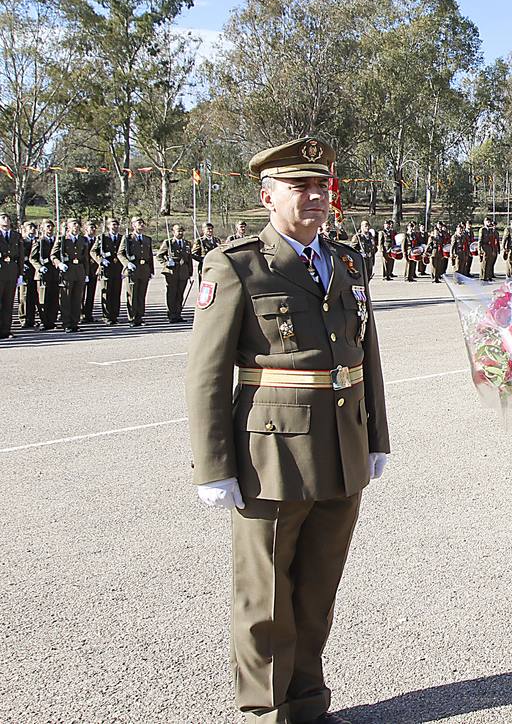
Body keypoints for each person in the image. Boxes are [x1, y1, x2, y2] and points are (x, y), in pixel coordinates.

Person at [186, 136, 390, 724]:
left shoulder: (346, 261)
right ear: (267, 194)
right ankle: (266, 712)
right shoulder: (237, 265)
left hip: (342, 446)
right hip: (271, 453)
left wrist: (376, 436)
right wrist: (214, 467)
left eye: (321, 186)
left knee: (316, 591)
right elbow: (206, 373)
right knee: (266, 598)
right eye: (299, 186)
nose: (314, 197)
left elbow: (366, 354)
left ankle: (306, 704)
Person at [52, 217, 90, 332]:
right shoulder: (62, 239)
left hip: (79, 271)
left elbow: (85, 258)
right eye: (74, 224)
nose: (76, 227)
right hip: (67, 271)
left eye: (77, 225)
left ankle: (75, 323)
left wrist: (86, 273)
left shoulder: (82, 240)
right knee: (66, 299)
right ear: (68, 227)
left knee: (77, 299)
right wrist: (59, 264)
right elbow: (53, 255)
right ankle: (66, 323)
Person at [118, 216, 155, 327]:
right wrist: (127, 263)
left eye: (142, 223)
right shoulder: (128, 238)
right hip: (133, 268)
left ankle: (140, 316)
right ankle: (132, 317)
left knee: (141, 294)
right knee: (132, 294)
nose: (141, 225)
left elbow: (150, 255)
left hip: (144, 269)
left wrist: (151, 270)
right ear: (133, 225)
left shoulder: (147, 239)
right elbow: (120, 253)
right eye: (139, 223)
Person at [158, 223, 193, 323]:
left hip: (183, 272)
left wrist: (190, 272)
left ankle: (178, 314)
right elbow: (159, 256)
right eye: (178, 231)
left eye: (182, 231)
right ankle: (171, 314)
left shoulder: (187, 243)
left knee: (180, 293)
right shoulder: (168, 243)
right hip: (172, 271)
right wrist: (166, 263)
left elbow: (189, 259)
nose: (180, 233)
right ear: (173, 232)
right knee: (172, 293)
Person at [29, 219, 59, 330]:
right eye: (47, 226)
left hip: (54, 273)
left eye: (51, 226)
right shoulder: (39, 241)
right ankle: (44, 321)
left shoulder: (57, 240)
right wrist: (39, 267)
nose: (50, 229)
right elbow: (33, 258)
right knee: (43, 299)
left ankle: (52, 321)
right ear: (43, 228)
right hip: (43, 274)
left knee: (54, 298)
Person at [95, 217, 126, 324]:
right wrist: (101, 260)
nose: (115, 227)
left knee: (116, 292)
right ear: (108, 226)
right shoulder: (102, 238)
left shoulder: (122, 238)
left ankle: (115, 315)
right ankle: (107, 316)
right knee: (107, 293)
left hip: (118, 268)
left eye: (116, 225)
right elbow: (93, 251)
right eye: (113, 225)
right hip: (107, 269)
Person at [0, 213, 21, 338]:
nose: (6, 220)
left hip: (12, 270)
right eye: (3, 218)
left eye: (7, 218)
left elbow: (20, 255)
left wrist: (20, 274)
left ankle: (6, 330)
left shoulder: (16, 235)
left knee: (8, 302)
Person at [18, 221, 38, 330]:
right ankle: (23, 318)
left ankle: (31, 319)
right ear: (25, 229)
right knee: (24, 296)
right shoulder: (23, 241)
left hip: (35, 271)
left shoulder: (36, 241)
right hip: (25, 270)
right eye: (30, 227)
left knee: (33, 295)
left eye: (34, 227)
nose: (33, 229)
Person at [80, 219, 98, 323]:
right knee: (81, 294)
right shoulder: (82, 240)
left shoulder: (97, 240)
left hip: (93, 270)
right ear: (86, 229)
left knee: (91, 293)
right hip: (83, 269)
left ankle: (88, 314)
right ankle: (80, 313)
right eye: (91, 227)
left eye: (94, 228)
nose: (93, 230)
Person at [478, 216, 500, 282]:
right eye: (487, 221)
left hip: (490, 247)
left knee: (489, 263)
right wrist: (480, 249)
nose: (489, 222)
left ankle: (488, 276)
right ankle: (483, 277)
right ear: (484, 222)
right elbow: (480, 240)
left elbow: (493, 240)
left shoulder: (490, 230)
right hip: (484, 246)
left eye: (489, 221)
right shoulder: (482, 230)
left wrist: (493, 249)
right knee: (484, 263)